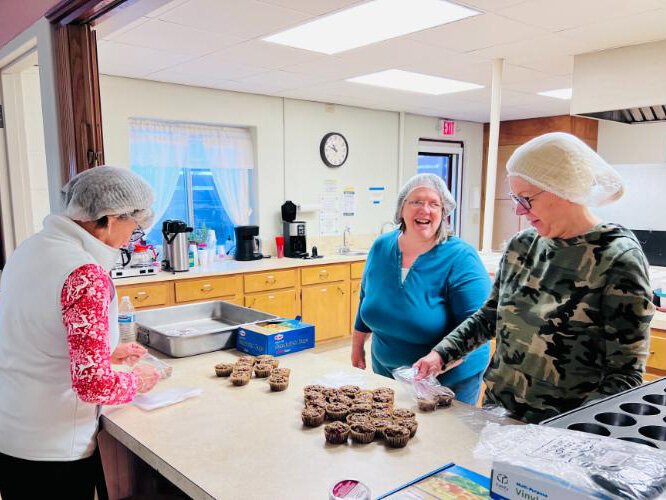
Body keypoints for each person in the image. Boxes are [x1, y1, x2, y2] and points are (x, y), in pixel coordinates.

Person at [414, 132, 655, 423]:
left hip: (564, 431)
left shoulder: (616, 259)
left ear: (563, 190)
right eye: (516, 198)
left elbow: (624, 377)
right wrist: (441, 355)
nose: (518, 209)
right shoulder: (522, 246)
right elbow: (490, 316)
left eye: (526, 199)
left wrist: (574, 436)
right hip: (499, 414)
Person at [0, 166, 161, 499]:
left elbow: (32, 330)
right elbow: (92, 385)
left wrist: (105, 350)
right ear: (112, 218)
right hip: (53, 448)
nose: (132, 238)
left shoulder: (29, 249)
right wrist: (138, 381)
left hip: (11, 431)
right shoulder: (83, 272)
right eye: (134, 229)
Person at [352, 174, 492, 404]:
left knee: (444, 439)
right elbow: (366, 298)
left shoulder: (460, 257)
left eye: (434, 203)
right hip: (387, 374)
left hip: (447, 380)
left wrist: (439, 362)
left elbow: (478, 324)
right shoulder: (381, 247)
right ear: (401, 209)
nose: (425, 210)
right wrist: (357, 346)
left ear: (444, 212)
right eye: (416, 201)